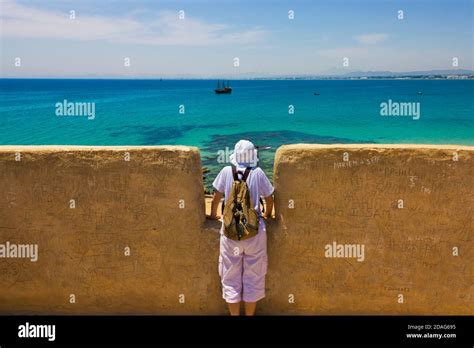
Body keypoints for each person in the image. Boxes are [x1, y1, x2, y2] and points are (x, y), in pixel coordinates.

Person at [207, 140, 274, 316]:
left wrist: (214, 215)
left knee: (230, 277)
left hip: (230, 233)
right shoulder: (258, 173)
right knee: (254, 277)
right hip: (254, 233)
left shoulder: (225, 171)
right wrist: (266, 215)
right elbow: (269, 199)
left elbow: (216, 198)